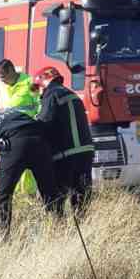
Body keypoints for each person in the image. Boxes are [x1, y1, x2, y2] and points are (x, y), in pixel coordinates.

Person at [0, 108, 54, 240]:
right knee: (49, 190)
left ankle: (2, 238)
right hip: (40, 140)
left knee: (3, 195)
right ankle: (58, 227)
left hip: (16, 148)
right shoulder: (4, 112)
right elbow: (10, 131)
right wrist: (1, 155)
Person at [34, 66, 94, 217]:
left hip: (65, 155)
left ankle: (58, 231)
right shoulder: (73, 95)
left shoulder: (51, 95)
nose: (38, 93)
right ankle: (83, 226)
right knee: (81, 196)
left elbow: (44, 123)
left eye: (38, 88)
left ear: (43, 83)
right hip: (85, 152)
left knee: (56, 199)